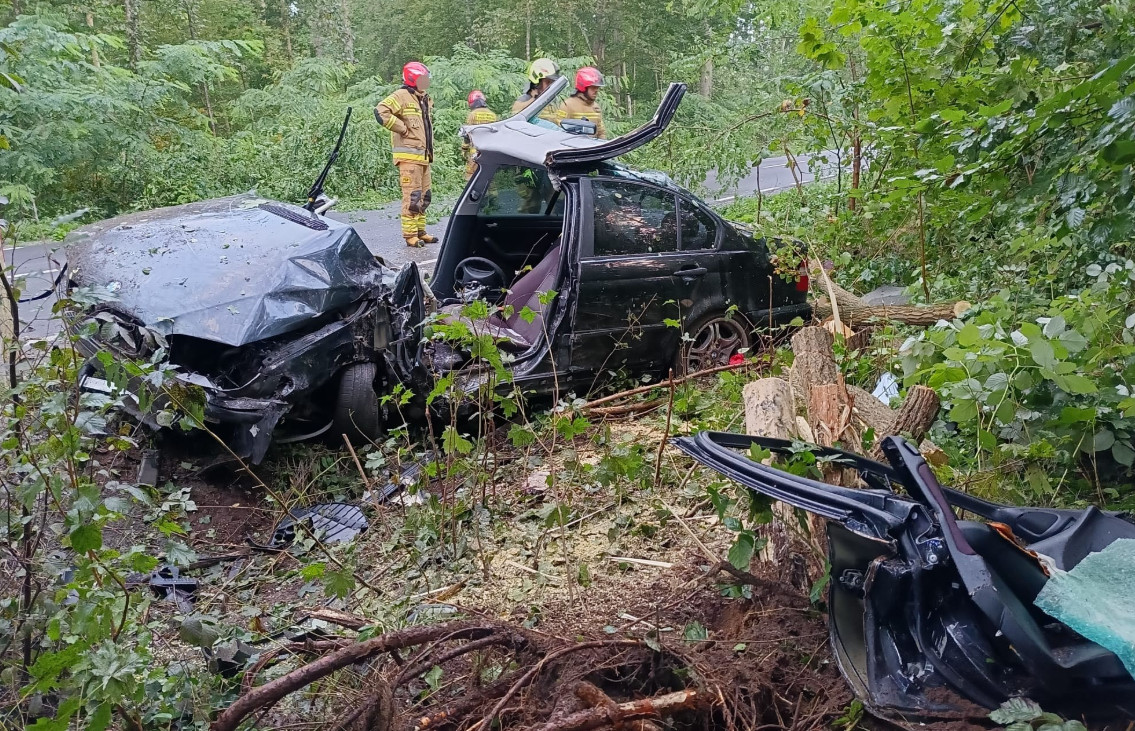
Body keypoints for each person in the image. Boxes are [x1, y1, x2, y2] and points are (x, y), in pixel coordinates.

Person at [375, 61, 437, 247]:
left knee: (425, 196)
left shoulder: (422, 97)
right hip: (409, 158)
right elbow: (381, 111)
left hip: (423, 157)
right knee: (412, 197)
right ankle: (410, 236)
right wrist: (402, 129)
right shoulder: (401, 96)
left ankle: (420, 231)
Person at [558, 67, 607, 139]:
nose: (596, 90)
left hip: (592, 148)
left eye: (597, 87)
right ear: (583, 87)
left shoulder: (595, 107)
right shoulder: (567, 105)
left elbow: (601, 133)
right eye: (593, 87)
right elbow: (559, 131)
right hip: (573, 148)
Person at [462, 90, 498, 180]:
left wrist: (464, 151)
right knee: (489, 180)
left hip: (476, 154)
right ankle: (492, 194)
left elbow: (467, 136)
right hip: (491, 153)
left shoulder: (472, 115)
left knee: (472, 179)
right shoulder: (492, 115)